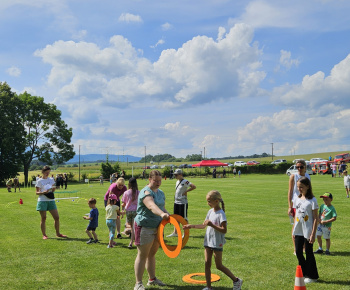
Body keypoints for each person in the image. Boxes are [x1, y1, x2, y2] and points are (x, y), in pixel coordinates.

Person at [183, 190, 243, 290]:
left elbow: (224, 230)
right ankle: (208, 287)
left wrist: (212, 225)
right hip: (208, 241)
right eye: (207, 201)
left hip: (217, 242)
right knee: (207, 263)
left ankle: (236, 280)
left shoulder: (221, 214)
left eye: (209, 201)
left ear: (216, 201)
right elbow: (203, 226)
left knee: (219, 266)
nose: (208, 203)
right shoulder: (210, 212)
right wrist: (191, 226)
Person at [134, 170, 169, 290]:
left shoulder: (161, 193)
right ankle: (138, 284)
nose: (158, 183)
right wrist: (162, 214)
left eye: (160, 181)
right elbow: (151, 206)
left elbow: (162, 207)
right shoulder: (146, 192)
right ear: (149, 179)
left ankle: (152, 279)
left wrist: (171, 218)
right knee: (142, 255)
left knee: (152, 254)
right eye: (155, 180)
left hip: (158, 227)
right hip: (144, 226)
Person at [292, 176, 319, 284]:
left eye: (301, 187)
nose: (299, 189)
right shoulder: (297, 199)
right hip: (298, 230)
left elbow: (315, 218)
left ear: (308, 186)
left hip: (308, 230)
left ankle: (313, 276)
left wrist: (313, 234)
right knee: (298, 252)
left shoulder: (312, 200)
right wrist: (294, 228)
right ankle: (304, 273)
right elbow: (296, 215)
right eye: (298, 187)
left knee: (308, 252)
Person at [35, 165, 67, 240]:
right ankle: (44, 235)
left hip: (51, 200)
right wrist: (43, 192)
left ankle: (58, 234)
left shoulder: (51, 179)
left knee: (57, 217)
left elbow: (52, 190)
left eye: (48, 172)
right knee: (43, 218)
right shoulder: (39, 181)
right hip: (42, 201)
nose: (47, 174)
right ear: (42, 172)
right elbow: (37, 192)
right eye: (46, 172)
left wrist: (53, 188)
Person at [287, 159, 311, 254]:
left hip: (305, 204)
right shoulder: (294, 176)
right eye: (297, 167)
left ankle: (304, 247)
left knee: (305, 225)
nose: (299, 169)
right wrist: (289, 206)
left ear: (305, 167)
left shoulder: (307, 176)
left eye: (301, 167)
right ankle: (296, 248)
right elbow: (290, 191)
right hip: (295, 205)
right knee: (296, 226)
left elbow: (309, 190)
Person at [167, 169, 196, 237]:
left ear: (181, 175)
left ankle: (186, 233)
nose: (175, 176)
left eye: (176, 175)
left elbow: (193, 186)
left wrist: (187, 191)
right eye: (174, 175)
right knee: (176, 218)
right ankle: (175, 232)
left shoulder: (185, 181)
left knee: (184, 218)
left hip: (183, 202)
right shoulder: (177, 181)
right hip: (176, 202)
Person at [121, 177, 140, 248]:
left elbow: (123, 203)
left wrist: (122, 211)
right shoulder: (139, 192)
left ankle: (132, 242)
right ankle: (133, 241)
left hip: (128, 212)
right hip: (136, 211)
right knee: (134, 227)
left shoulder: (126, 192)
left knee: (132, 227)